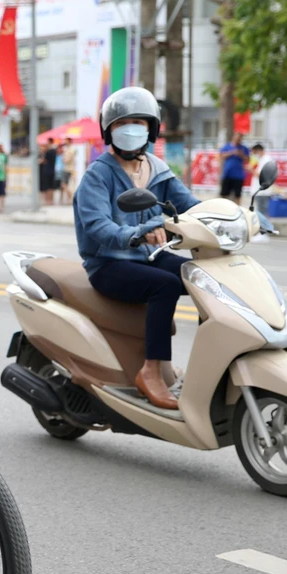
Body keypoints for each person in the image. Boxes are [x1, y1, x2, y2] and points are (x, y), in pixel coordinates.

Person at [74, 87, 200, 410]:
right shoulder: (97, 176)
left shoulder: (157, 170)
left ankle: (206, 363)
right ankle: (152, 371)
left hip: (147, 258)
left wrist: (232, 216)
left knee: (200, 275)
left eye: (138, 122)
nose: (131, 128)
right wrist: (140, 233)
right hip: (108, 264)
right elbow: (99, 228)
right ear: (109, 130)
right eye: (122, 122)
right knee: (166, 285)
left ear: (151, 129)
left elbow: (190, 206)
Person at [219, 132, 250, 205]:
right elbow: (221, 155)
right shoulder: (227, 146)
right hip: (228, 174)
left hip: (238, 175)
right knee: (224, 194)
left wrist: (241, 154)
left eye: (239, 139)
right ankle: (224, 208)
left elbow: (247, 159)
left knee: (237, 195)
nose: (238, 140)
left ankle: (237, 208)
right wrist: (232, 153)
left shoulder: (244, 148)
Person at [39, 137, 57, 206]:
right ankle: (51, 200)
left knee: (47, 186)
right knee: (51, 186)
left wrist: (40, 161)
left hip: (47, 170)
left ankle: (48, 200)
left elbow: (44, 161)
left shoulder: (48, 151)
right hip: (52, 170)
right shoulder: (54, 151)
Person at [61, 136, 76, 204]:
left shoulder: (71, 149)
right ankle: (70, 198)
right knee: (65, 184)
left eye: (66, 140)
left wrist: (64, 159)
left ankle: (71, 198)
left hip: (69, 169)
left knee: (65, 184)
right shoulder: (67, 149)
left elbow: (67, 160)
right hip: (67, 168)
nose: (65, 142)